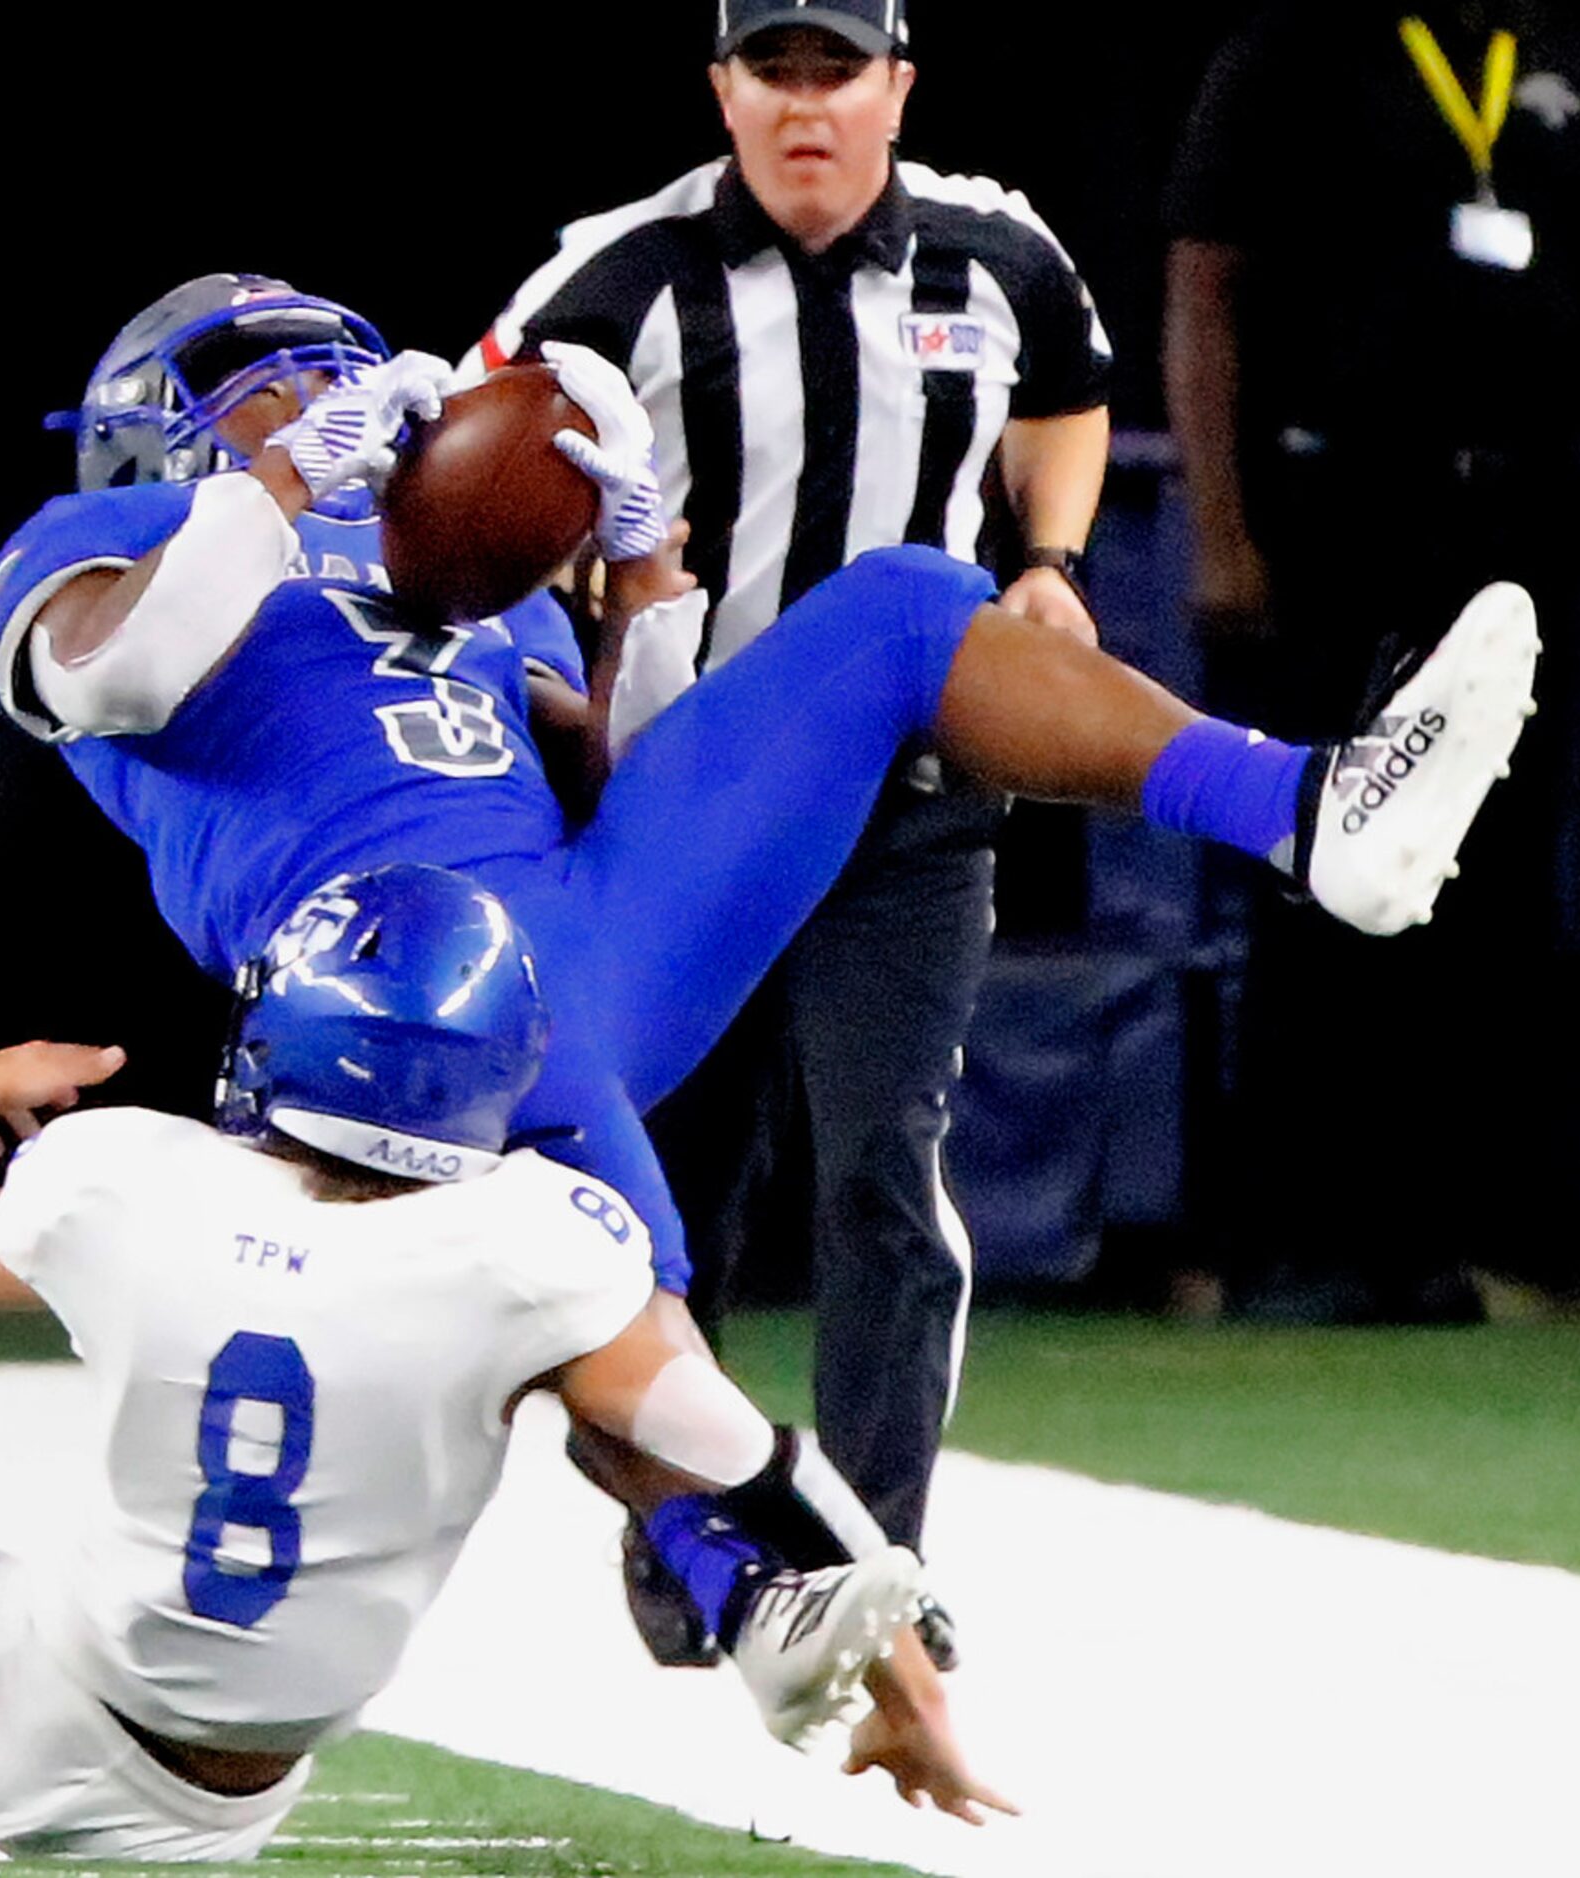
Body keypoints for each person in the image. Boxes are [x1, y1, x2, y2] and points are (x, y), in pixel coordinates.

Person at [0, 268, 1532, 1665]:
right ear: (156, 432)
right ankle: (745, 1582)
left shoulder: (444, 567)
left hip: (580, 928)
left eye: (333, 375)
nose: (322, 404)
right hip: (367, 993)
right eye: (266, 384)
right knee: (598, 1270)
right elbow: (111, 672)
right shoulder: (101, 544)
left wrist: (644, 593)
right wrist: (254, 501)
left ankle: (1306, 809)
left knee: (903, 603)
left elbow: (633, 775)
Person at [0, 865, 1006, 1857]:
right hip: (217, 1788)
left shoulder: (124, 1182)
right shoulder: (531, 1249)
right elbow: (746, 1464)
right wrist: (911, 1688)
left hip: (50, 1677)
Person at [459, 0, 1116, 1653]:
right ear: (722, 90)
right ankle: (693, 1539)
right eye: (775, 71)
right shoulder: (614, 275)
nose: (806, 106)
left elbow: (1069, 388)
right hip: (690, 809)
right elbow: (471, 474)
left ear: (897, 86)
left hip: (905, 802)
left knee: (885, 1176)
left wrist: (1048, 559)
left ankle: (865, 1571)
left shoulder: (995, 255)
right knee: (666, 1187)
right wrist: (558, 657)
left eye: (838, 71)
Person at [1163, 0, 1580, 1315]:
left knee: (1493, 884)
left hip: (1522, 511)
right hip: (1333, 511)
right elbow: (1203, 287)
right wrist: (1219, 535)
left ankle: (1456, 1239)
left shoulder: (1576, 48)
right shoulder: (1286, 50)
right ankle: (1289, 1242)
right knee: (1320, 864)